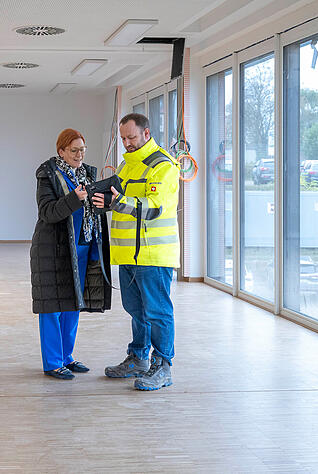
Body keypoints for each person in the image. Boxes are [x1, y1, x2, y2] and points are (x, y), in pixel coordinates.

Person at [92, 113, 180, 391]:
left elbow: (154, 208)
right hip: (128, 255)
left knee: (157, 312)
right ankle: (139, 358)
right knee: (136, 310)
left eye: (131, 137)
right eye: (123, 138)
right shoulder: (127, 165)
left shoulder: (163, 166)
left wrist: (118, 202)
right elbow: (121, 199)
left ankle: (163, 366)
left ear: (146, 133)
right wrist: (101, 199)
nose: (127, 143)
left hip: (153, 255)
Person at [30, 128, 112, 380]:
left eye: (82, 150)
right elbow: (48, 212)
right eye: (74, 150)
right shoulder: (48, 175)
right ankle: (53, 362)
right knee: (52, 307)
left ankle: (66, 357)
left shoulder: (88, 173)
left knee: (73, 305)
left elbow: (93, 210)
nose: (79, 155)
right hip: (54, 250)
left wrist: (106, 202)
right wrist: (74, 199)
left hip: (84, 246)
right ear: (61, 151)